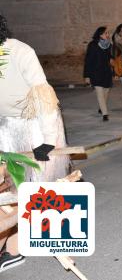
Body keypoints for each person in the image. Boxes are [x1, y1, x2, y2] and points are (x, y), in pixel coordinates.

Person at [0, 14, 70, 274]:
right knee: (5, 190)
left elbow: (43, 97)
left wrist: (48, 142)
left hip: (33, 127)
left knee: (29, 189)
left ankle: (14, 249)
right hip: (3, 128)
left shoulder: (20, 51)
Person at [84, 26, 113, 121]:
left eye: (108, 33)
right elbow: (88, 61)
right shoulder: (93, 45)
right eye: (106, 33)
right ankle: (105, 114)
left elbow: (111, 58)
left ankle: (101, 107)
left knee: (106, 91)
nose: (108, 35)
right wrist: (87, 76)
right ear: (100, 34)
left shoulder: (109, 45)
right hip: (95, 73)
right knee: (100, 93)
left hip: (106, 72)